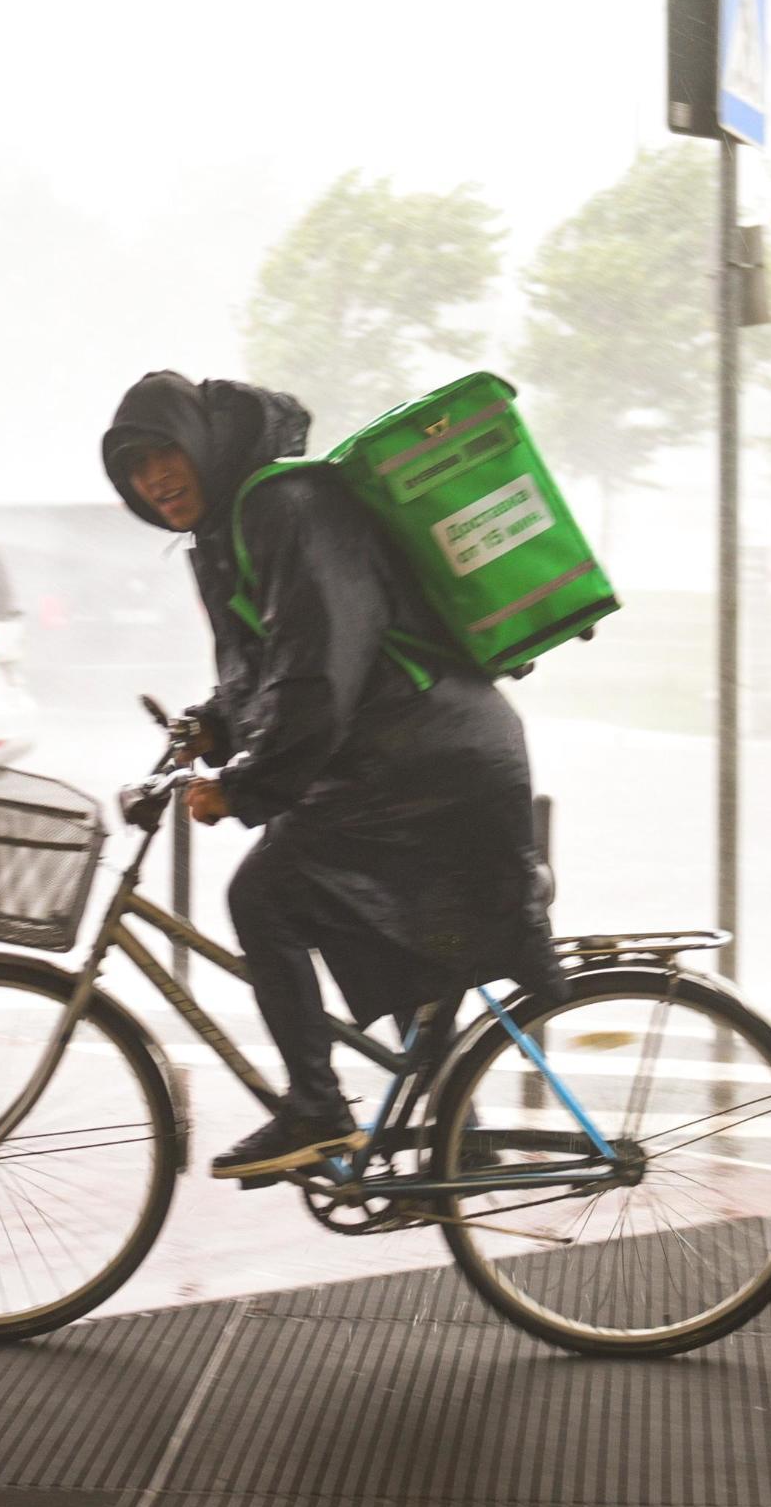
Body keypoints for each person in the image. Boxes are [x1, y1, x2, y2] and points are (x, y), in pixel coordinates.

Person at [102, 369, 562, 1181]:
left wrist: (249, 789)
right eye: (134, 468)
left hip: (429, 756)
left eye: (164, 452)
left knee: (265, 894)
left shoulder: (287, 507)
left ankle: (316, 1110)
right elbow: (271, 664)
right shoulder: (234, 526)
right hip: (407, 750)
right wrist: (214, 724)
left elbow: (321, 669)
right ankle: (461, 1138)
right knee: (384, 924)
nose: (154, 479)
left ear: (203, 441)